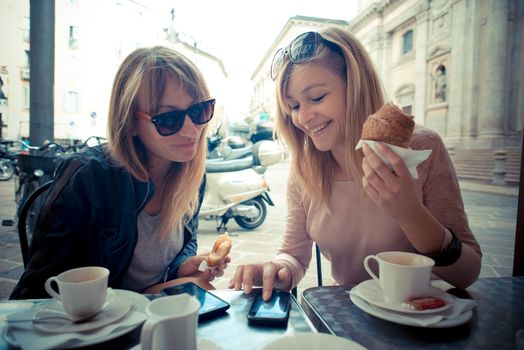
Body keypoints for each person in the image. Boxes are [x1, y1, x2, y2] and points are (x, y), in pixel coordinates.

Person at [229, 28, 481, 300]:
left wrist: (410, 213)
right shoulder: (304, 168)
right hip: (351, 316)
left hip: (426, 316)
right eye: (294, 106)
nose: (303, 118)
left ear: (357, 87)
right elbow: (293, 255)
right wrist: (275, 270)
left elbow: (467, 273)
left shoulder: (421, 148)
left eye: (317, 98)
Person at [11, 46, 229, 299]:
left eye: (198, 110)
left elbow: (185, 238)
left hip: (153, 315)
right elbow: (37, 291)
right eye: (168, 118)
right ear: (130, 122)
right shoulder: (89, 177)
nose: (191, 130)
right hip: (94, 326)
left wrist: (182, 266)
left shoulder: (190, 174)